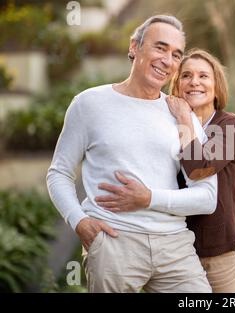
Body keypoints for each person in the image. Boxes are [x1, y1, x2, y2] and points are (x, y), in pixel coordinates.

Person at [47, 15, 217, 293]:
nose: (167, 60)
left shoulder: (182, 115)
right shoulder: (90, 104)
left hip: (175, 246)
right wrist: (79, 222)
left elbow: (207, 196)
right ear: (134, 47)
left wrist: (148, 198)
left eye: (176, 55)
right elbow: (59, 173)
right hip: (114, 241)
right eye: (160, 48)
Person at [101, 49, 235, 292]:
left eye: (203, 76)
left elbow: (199, 167)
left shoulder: (230, 125)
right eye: (186, 75)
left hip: (217, 252)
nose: (194, 82)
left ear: (216, 86)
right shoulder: (161, 124)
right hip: (168, 247)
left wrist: (185, 120)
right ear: (176, 84)